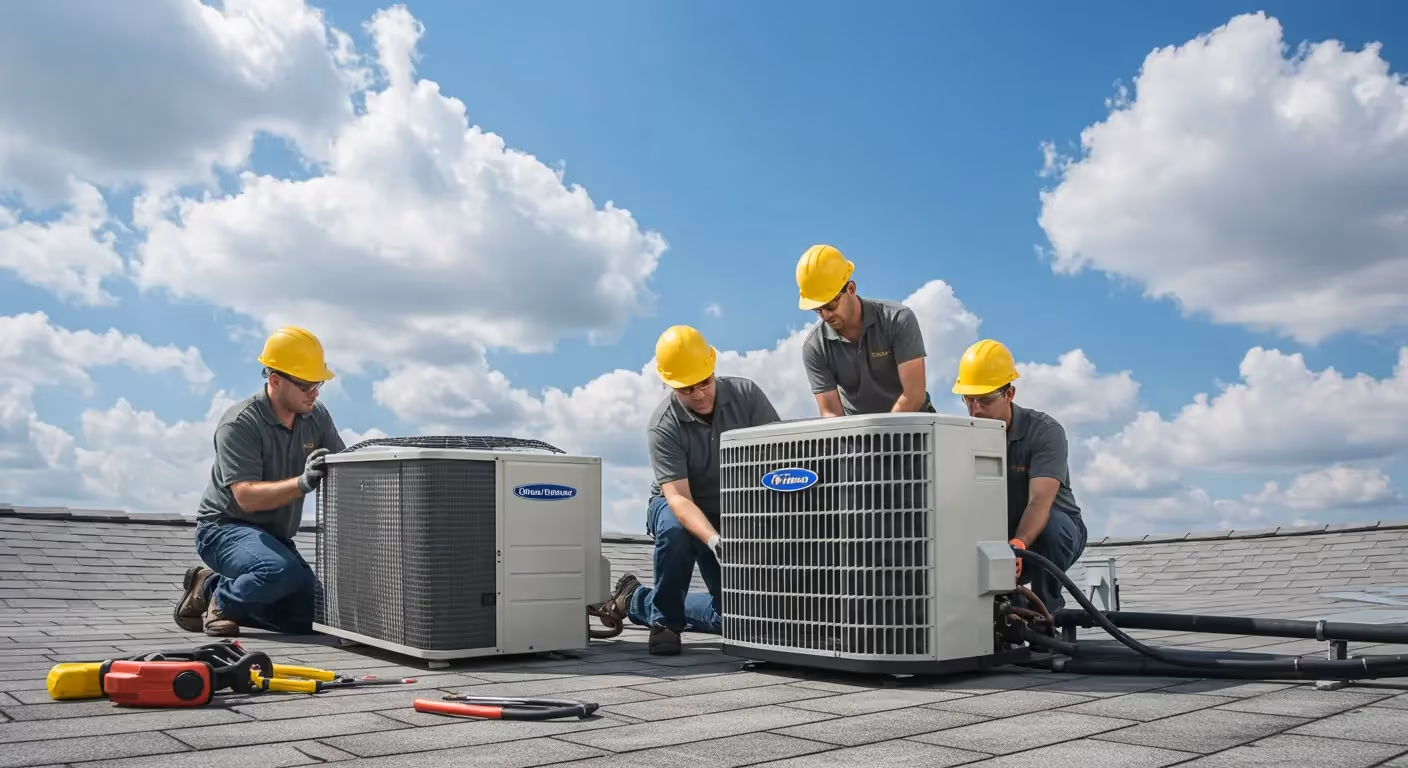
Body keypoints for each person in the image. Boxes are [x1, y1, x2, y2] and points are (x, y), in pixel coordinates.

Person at [598, 325, 781, 655]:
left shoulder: (747, 397)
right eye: (686, 388)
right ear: (669, 384)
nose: (699, 393)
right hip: (676, 505)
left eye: (704, 382)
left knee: (740, 619)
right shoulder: (663, 425)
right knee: (677, 530)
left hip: (730, 509)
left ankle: (635, 599)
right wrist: (715, 541)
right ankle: (666, 623)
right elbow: (679, 497)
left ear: (713, 368)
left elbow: (776, 464)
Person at [174, 326, 345, 637]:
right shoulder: (240, 423)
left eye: (317, 383)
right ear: (275, 380)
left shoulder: (315, 415)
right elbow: (246, 498)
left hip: (274, 538)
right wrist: (303, 482)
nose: (315, 392)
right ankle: (222, 601)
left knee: (315, 617)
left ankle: (207, 584)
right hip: (224, 528)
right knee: (277, 571)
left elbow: (344, 466)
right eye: (306, 384)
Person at [952, 338, 1087, 612]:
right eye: (969, 400)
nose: (975, 410)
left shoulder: (1044, 432)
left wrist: (1017, 544)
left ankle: (1046, 614)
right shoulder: (962, 435)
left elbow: (1040, 502)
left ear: (1009, 394)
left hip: (1050, 534)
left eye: (985, 400)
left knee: (1053, 529)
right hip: (1000, 532)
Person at [795, 244, 935, 417]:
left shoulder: (897, 320)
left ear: (851, 289)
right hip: (860, 439)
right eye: (817, 309)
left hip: (915, 430)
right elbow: (831, 413)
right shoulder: (815, 347)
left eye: (830, 305)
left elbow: (914, 396)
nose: (825, 315)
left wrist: (884, 437)